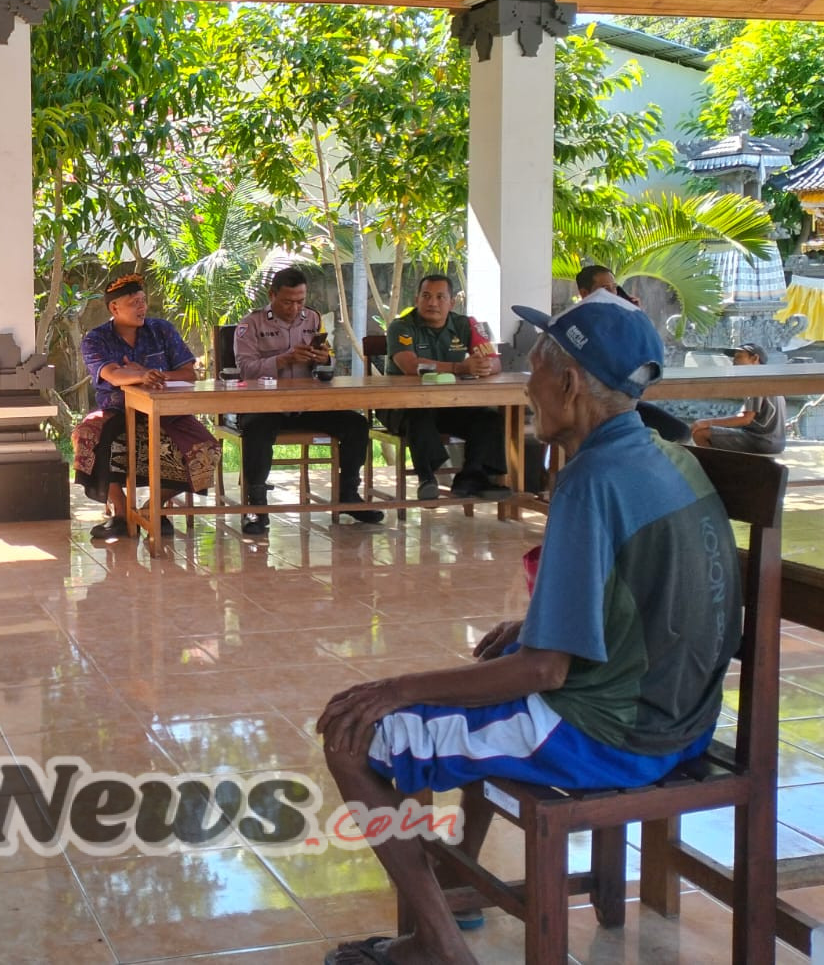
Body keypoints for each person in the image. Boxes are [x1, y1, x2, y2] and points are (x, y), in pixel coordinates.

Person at [317, 292, 741, 965]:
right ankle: (460, 888)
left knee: (352, 730)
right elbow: (635, 594)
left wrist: (394, 687)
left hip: (614, 736)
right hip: (686, 717)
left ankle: (437, 946)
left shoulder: (591, 480)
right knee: (480, 684)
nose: (524, 383)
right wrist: (531, 622)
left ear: (569, 384)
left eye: (534, 368)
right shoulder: (665, 456)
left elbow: (546, 671)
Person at [71, 274, 220, 540]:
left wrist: (150, 374)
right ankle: (122, 512)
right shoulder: (95, 339)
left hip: (167, 412)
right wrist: (142, 376)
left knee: (207, 449)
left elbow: (189, 373)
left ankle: (152, 509)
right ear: (114, 308)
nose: (142, 308)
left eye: (143, 301)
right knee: (87, 435)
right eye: (134, 303)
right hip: (117, 410)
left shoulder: (162, 330)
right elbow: (113, 375)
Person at [233, 267, 382, 530]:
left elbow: (329, 364)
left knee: (356, 424)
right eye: (288, 301)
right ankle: (255, 506)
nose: (295, 308)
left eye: (300, 301)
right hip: (265, 405)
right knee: (256, 430)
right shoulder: (251, 323)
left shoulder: (312, 318)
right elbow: (246, 369)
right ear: (272, 295)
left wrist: (325, 360)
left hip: (308, 404)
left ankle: (349, 494)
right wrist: (284, 359)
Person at [380, 274, 509, 499]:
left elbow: (495, 360)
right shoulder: (401, 327)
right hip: (400, 407)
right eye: (426, 296)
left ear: (452, 302)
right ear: (416, 299)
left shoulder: (465, 324)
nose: (432, 303)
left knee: (489, 418)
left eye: (440, 297)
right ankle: (427, 478)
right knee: (418, 417)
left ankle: (472, 476)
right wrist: (461, 367)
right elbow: (411, 365)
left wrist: (484, 366)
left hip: (448, 406)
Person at [575, 265, 689, 443]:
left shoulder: (622, 318)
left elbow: (646, 354)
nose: (612, 293)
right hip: (594, 406)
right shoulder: (578, 324)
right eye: (605, 289)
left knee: (679, 432)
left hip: (622, 405)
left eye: (614, 287)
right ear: (584, 293)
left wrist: (636, 317)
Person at [692, 342, 785, 455]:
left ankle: (714, 468)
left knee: (700, 433)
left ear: (755, 358)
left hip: (761, 441)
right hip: (777, 442)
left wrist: (707, 422)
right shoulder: (770, 378)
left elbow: (745, 419)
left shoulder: (755, 380)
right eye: (734, 357)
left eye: (739, 356)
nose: (734, 361)